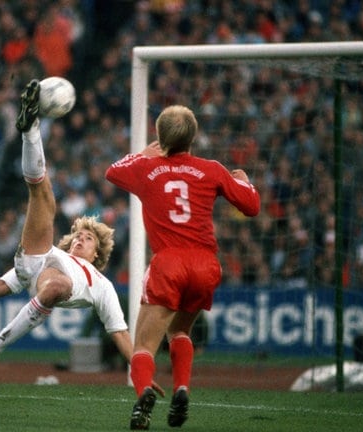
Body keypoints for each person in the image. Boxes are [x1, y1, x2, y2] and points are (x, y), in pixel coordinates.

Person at [0, 80, 163, 396]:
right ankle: (30, 127)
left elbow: (122, 335)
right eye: (78, 235)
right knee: (42, 194)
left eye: (88, 239)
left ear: (98, 254)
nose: (80, 239)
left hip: (54, 285)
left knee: (57, 283)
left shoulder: (103, 286)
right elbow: (5, 283)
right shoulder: (59, 251)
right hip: (37, 259)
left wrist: (142, 375)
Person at [105, 105, 260, 430]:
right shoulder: (212, 169)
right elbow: (252, 206)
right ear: (194, 137)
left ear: (161, 137)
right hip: (206, 265)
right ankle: (182, 389)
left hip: (169, 262)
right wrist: (244, 181)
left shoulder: (147, 169)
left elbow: (113, 171)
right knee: (180, 330)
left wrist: (144, 152)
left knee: (145, 344)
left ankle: (144, 395)